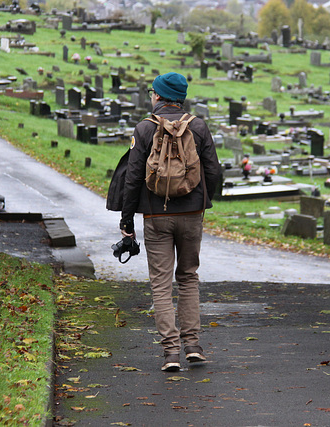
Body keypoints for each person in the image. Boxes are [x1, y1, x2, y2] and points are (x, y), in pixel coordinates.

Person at [119, 72, 222, 372]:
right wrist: (203, 201)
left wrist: (127, 221)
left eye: (153, 91)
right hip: (191, 215)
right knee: (188, 277)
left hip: (156, 216)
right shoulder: (199, 127)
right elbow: (213, 171)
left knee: (161, 285)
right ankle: (193, 346)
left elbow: (133, 177)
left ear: (160, 96)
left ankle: (171, 354)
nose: (151, 95)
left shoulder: (144, 128)